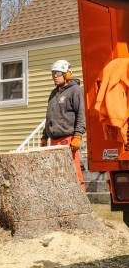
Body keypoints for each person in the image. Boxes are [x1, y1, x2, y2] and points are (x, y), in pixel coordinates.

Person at [40, 59, 86, 192]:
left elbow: (81, 115)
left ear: (66, 75)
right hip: (54, 140)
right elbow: (49, 117)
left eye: (58, 73)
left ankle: (81, 198)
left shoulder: (75, 90)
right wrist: (44, 136)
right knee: (57, 174)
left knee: (74, 171)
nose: (54, 76)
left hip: (68, 139)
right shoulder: (53, 94)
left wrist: (77, 136)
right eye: (53, 73)